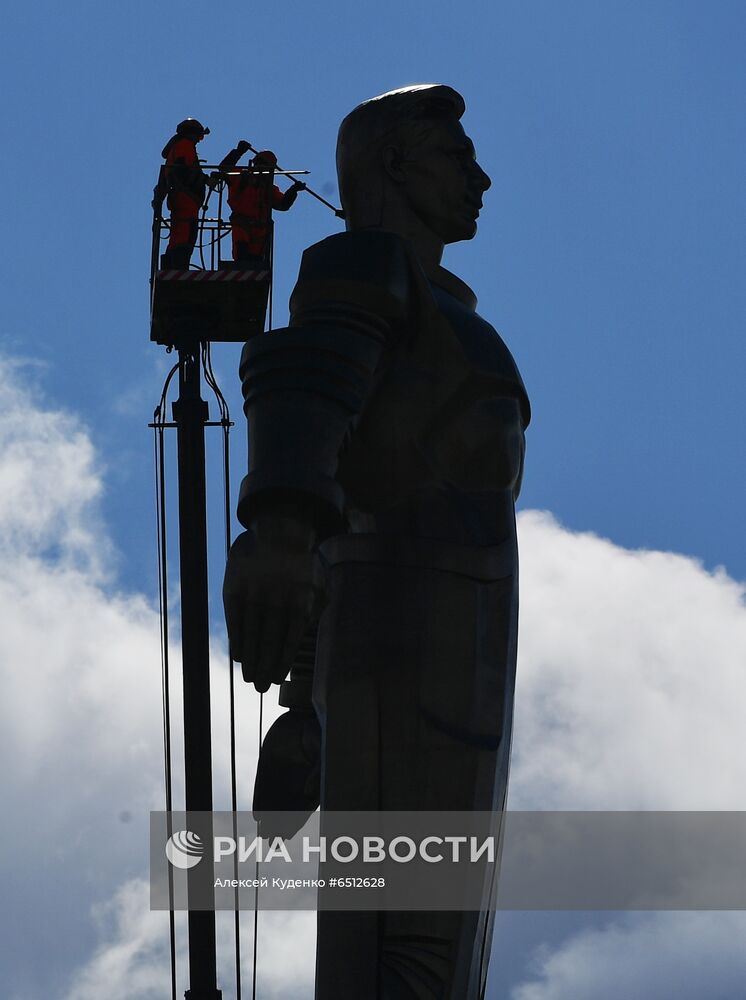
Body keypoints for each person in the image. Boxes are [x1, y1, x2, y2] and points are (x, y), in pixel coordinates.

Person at [223, 85, 530, 999]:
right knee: (408, 940)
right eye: (456, 156)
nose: (480, 178)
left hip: (462, 625)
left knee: (444, 933)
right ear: (395, 164)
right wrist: (279, 527)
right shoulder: (363, 265)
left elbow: (365, 463)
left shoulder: (442, 308)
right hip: (410, 615)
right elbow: (314, 379)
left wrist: (307, 710)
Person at [218, 142, 305, 263]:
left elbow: (283, 204)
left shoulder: (268, 189)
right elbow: (224, 168)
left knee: (256, 262)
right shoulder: (240, 177)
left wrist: (293, 190)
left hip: (260, 231)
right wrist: (238, 152)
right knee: (242, 259)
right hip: (242, 225)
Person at [158, 118, 210, 268]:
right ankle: (179, 266)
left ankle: (172, 265)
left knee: (179, 235)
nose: (199, 141)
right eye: (199, 136)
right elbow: (184, 171)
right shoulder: (184, 146)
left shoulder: (178, 148)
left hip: (183, 198)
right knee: (185, 235)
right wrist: (205, 180)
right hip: (185, 198)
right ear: (191, 134)